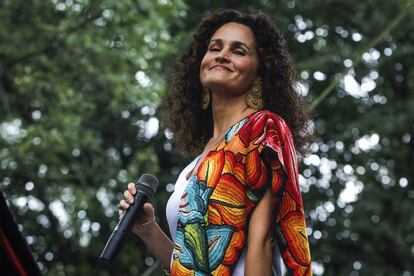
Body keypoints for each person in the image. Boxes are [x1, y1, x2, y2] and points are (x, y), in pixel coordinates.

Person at [119, 9, 313, 276]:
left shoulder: (261, 130)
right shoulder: (192, 169)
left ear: (259, 73)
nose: (222, 54)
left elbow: (263, 240)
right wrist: (147, 229)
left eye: (239, 51)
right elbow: (190, 267)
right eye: (215, 47)